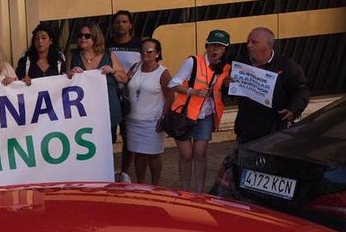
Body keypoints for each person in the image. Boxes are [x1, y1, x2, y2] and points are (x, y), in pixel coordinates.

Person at [167, 30, 233, 192]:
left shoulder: (226, 68)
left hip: (206, 116)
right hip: (185, 115)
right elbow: (172, 83)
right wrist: (192, 92)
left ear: (225, 50)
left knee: (200, 154)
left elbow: (224, 91)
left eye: (220, 47)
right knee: (186, 155)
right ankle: (185, 191)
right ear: (207, 46)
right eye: (213, 46)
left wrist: (227, 84)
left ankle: (199, 193)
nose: (216, 50)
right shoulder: (193, 62)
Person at [233, 26, 310, 145]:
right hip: (247, 128)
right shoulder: (242, 64)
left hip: (275, 128)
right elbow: (229, 92)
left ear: (268, 45)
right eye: (248, 42)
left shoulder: (285, 65)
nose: (249, 45)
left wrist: (293, 109)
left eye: (254, 42)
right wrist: (227, 85)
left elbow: (300, 90)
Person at [68, 22, 127, 139]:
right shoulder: (72, 56)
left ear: (95, 37)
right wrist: (71, 73)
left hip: (108, 109)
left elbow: (124, 78)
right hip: (83, 113)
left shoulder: (108, 56)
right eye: (80, 36)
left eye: (87, 36)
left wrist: (113, 71)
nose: (82, 38)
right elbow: (65, 81)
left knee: (107, 144)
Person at [125, 39, 172, 185]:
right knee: (138, 154)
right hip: (133, 119)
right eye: (143, 51)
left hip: (152, 120)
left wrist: (164, 117)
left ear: (157, 53)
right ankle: (141, 184)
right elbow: (127, 86)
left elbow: (170, 95)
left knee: (153, 156)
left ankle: (155, 185)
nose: (145, 54)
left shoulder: (163, 72)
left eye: (149, 51)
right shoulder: (135, 67)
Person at [107, 10, 143, 181]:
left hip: (132, 98)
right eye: (117, 22)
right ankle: (108, 169)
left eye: (124, 21)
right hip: (111, 98)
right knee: (109, 136)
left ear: (130, 25)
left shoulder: (139, 46)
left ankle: (125, 172)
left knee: (129, 137)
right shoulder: (106, 46)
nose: (120, 24)